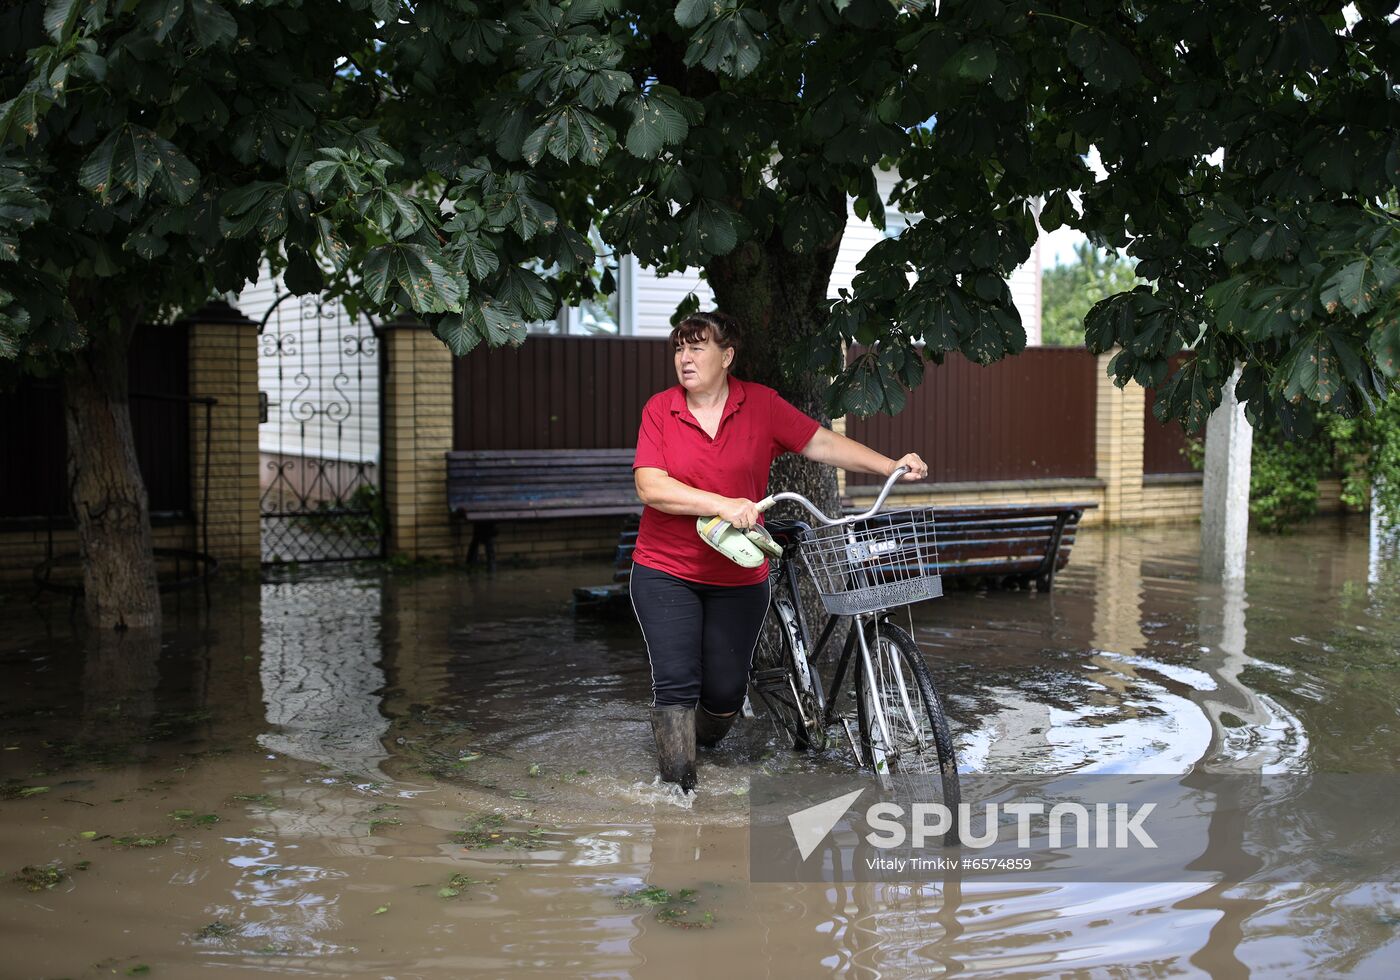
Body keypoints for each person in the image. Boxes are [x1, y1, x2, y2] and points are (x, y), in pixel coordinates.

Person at [631, 311, 928, 790]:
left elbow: (820, 442)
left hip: (738, 576)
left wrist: (890, 464)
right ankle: (678, 797)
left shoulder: (761, 405)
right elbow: (650, 486)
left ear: (726, 356)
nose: (685, 358)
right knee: (676, 683)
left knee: (726, 694)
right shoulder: (660, 410)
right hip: (668, 570)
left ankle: (694, 746)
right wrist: (722, 505)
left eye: (697, 347)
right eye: (679, 349)